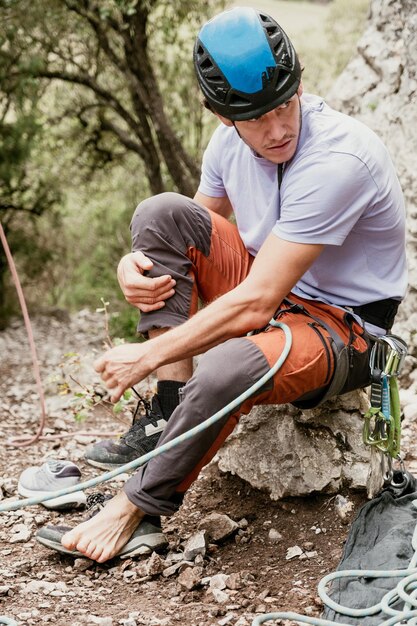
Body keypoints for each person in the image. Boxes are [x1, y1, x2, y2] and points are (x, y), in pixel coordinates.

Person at [36, 6, 407, 563]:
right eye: (255, 117)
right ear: (219, 113)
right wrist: (131, 265)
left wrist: (148, 351)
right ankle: (166, 413)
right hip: (272, 287)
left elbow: (255, 300)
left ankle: (140, 509)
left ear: (300, 83)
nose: (277, 129)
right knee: (162, 212)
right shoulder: (227, 145)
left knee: (229, 367)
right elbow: (185, 236)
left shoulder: (340, 159)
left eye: (285, 105)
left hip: (344, 330)